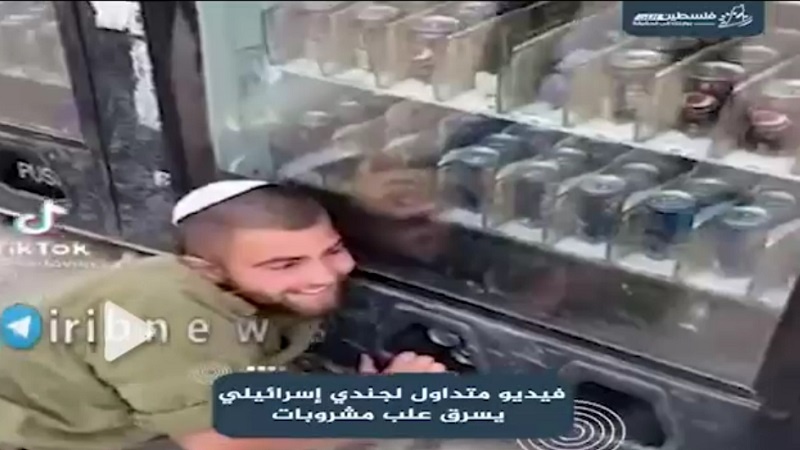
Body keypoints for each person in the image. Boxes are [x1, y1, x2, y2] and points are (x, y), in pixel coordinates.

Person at [0, 180, 446, 450]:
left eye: (332, 250)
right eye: (285, 265)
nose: (325, 275)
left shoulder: (226, 292)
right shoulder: (166, 310)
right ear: (208, 270)